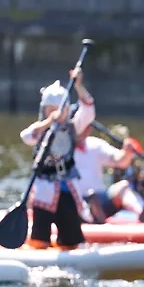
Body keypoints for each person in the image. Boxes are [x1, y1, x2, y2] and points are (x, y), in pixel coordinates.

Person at [19, 69, 94, 249]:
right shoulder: (40, 128)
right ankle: (38, 246)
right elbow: (26, 136)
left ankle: (69, 248)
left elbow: (89, 109)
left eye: (59, 109)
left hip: (67, 188)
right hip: (44, 190)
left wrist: (78, 85)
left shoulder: (73, 126)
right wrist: (48, 123)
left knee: (71, 238)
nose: (56, 113)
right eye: (50, 109)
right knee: (40, 237)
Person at [72, 120, 144, 224]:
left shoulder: (95, 144)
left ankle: (143, 215)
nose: (86, 129)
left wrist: (127, 152)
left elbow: (120, 161)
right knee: (86, 199)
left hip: (100, 199)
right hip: (73, 202)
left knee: (123, 186)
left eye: (87, 126)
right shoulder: (59, 147)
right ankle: (94, 216)